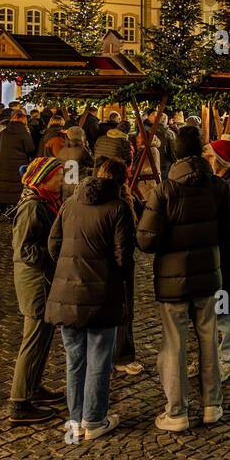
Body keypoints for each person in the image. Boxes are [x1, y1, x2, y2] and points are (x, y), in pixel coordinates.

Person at [137, 125, 230, 432]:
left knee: (174, 345)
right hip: (208, 276)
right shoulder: (218, 187)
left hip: (173, 280)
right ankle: (212, 405)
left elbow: (145, 239)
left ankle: (177, 412)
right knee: (208, 340)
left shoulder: (166, 190)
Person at [45, 157, 132, 440]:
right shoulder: (118, 209)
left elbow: (53, 244)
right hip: (100, 295)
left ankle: (74, 418)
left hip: (66, 294)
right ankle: (93, 420)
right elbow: (124, 256)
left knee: (75, 359)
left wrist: (69, 269)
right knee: (98, 358)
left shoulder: (70, 203)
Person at [8, 157, 66, 425]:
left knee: (42, 338)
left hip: (42, 280)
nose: (62, 179)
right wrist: (56, 251)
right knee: (32, 341)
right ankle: (19, 402)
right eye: (58, 176)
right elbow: (24, 250)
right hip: (35, 282)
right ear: (44, 178)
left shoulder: (44, 201)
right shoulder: (32, 206)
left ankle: (33, 387)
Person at [203, 139, 230, 378]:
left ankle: (228, 358)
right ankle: (212, 357)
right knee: (213, 309)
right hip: (215, 257)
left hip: (226, 257)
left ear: (218, 160)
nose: (207, 161)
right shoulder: (219, 182)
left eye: (209, 156)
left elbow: (229, 225)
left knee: (225, 310)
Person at [0, 108, 36, 214]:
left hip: (4, 164)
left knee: (3, 186)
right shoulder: (24, 133)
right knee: (17, 187)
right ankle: (14, 211)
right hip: (19, 165)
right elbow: (30, 149)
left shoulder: (4, 131)